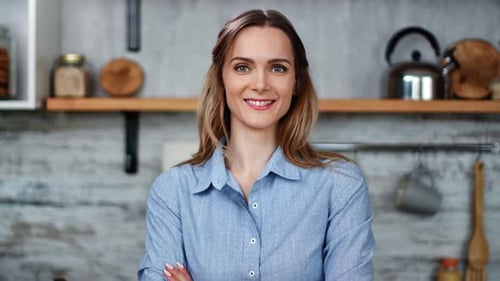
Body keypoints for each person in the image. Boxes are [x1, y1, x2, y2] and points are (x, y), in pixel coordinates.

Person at [138, 9, 375, 281]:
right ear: (221, 78)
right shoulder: (172, 192)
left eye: (278, 68)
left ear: (296, 81)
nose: (260, 84)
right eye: (242, 67)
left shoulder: (341, 184)